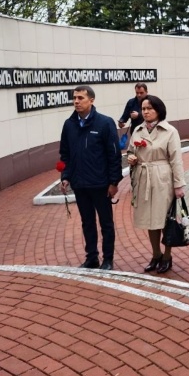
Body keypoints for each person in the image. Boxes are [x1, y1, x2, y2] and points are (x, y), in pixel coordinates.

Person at [60, 85, 122, 270]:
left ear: (91, 100)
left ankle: (108, 259)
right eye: (74, 98)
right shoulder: (69, 124)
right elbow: (65, 154)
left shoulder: (105, 123)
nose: (76, 101)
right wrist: (65, 176)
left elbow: (114, 154)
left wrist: (114, 182)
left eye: (80, 98)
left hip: (101, 185)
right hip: (80, 185)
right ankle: (92, 258)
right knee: (87, 223)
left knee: (106, 224)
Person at [127, 95, 186, 273]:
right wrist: (131, 158)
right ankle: (156, 254)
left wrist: (179, 185)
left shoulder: (170, 131)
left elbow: (176, 160)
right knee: (149, 220)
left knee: (164, 219)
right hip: (143, 178)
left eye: (149, 108)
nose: (145, 112)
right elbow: (131, 150)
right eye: (143, 109)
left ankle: (167, 256)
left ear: (158, 110)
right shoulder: (137, 130)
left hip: (162, 179)